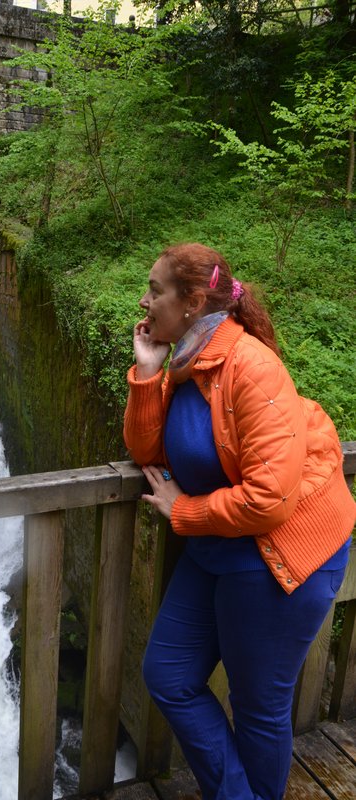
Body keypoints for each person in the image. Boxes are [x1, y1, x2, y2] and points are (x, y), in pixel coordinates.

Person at [123, 242, 355, 800]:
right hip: (218, 548)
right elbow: (147, 451)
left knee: (257, 706)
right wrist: (147, 373)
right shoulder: (185, 359)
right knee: (169, 675)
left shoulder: (251, 366)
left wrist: (185, 511)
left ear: (193, 301)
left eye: (155, 290)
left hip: (278, 555)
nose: (144, 300)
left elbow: (271, 499)